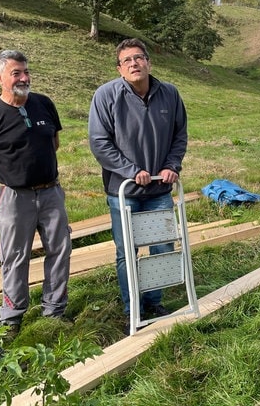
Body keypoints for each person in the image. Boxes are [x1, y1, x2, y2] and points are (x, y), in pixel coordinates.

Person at [88, 38, 187, 333]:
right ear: (119, 68)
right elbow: (99, 143)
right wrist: (132, 171)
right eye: (127, 60)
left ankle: (155, 301)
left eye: (139, 57)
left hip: (159, 190)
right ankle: (133, 307)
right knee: (127, 252)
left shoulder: (169, 93)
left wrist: (172, 166)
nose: (134, 63)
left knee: (162, 246)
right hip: (124, 192)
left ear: (149, 62)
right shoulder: (106, 96)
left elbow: (179, 134)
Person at [0, 50, 72, 335]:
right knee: (15, 255)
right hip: (15, 197)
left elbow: (53, 142)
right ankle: (12, 316)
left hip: (51, 192)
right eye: (16, 73)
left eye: (26, 71)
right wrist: (9, 177)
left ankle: (54, 309)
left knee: (60, 249)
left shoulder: (44, 104)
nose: (24, 78)